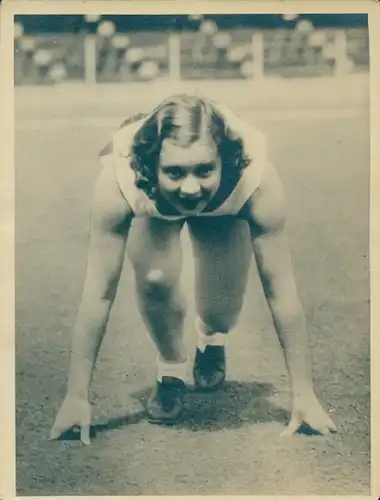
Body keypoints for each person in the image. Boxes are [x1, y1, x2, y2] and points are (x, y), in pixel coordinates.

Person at [50, 93, 336, 444]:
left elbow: (281, 291)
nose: (189, 187)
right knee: (155, 278)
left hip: (223, 209)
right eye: (174, 172)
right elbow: (98, 292)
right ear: (150, 165)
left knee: (220, 309)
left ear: (224, 161)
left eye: (204, 169)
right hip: (156, 207)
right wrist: (76, 397)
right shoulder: (120, 179)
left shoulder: (254, 179)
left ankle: (211, 339)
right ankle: (171, 371)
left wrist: (303, 394)